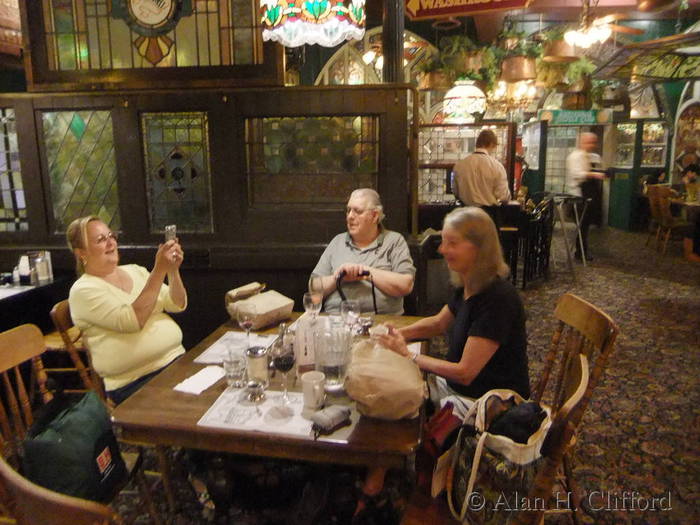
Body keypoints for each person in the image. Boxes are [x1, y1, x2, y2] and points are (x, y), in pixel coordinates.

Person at [357, 207, 530, 519]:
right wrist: (397, 332)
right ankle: (381, 471)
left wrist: (408, 354)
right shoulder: (469, 283)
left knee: (399, 397)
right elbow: (438, 323)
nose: (442, 249)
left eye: (451, 243)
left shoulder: (498, 299)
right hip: (464, 389)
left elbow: (465, 373)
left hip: (491, 405)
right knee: (394, 390)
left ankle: (385, 482)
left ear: (478, 248)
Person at [67, 215, 187, 405]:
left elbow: (176, 303)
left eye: (111, 236)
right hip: (136, 382)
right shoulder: (83, 291)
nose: (110, 243)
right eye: (101, 240)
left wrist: (172, 270)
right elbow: (132, 321)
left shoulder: (134, 270)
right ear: (81, 253)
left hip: (176, 361)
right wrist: (159, 271)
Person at [310, 188, 415, 315]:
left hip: (382, 323)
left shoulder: (394, 241)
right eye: (348, 210)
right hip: (336, 321)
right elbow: (313, 287)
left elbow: (406, 285)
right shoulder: (337, 241)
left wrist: (366, 272)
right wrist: (338, 277)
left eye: (358, 211)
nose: (350, 216)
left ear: (375, 216)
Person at [565, 132, 605, 261]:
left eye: (593, 142)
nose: (592, 145)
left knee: (584, 225)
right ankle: (580, 251)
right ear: (581, 142)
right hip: (577, 196)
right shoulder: (575, 157)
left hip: (584, 195)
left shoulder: (588, 156)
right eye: (589, 142)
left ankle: (582, 250)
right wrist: (594, 175)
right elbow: (577, 174)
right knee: (582, 225)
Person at [452, 129, 511, 207]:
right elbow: (503, 196)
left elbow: (456, 192)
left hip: (465, 214)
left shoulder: (459, 165)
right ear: (491, 144)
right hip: (488, 214)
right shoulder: (497, 166)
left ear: (477, 144)